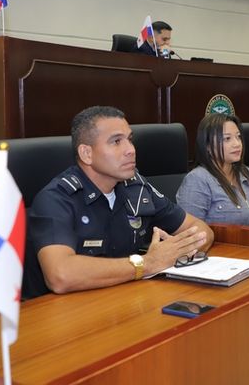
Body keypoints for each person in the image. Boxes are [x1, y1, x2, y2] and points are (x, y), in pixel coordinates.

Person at [23, 106, 214, 298]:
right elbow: (60, 275)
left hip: (122, 299)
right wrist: (148, 263)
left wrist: (177, 251)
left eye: (130, 140)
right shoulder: (56, 198)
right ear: (86, 154)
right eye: (116, 142)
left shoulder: (136, 189)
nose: (130, 150)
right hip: (59, 316)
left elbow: (201, 229)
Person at [176, 113, 249, 226]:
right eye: (227, 139)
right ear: (208, 146)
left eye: (238, 137)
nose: (237, 144)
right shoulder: (198, 180)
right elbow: (190, 233)